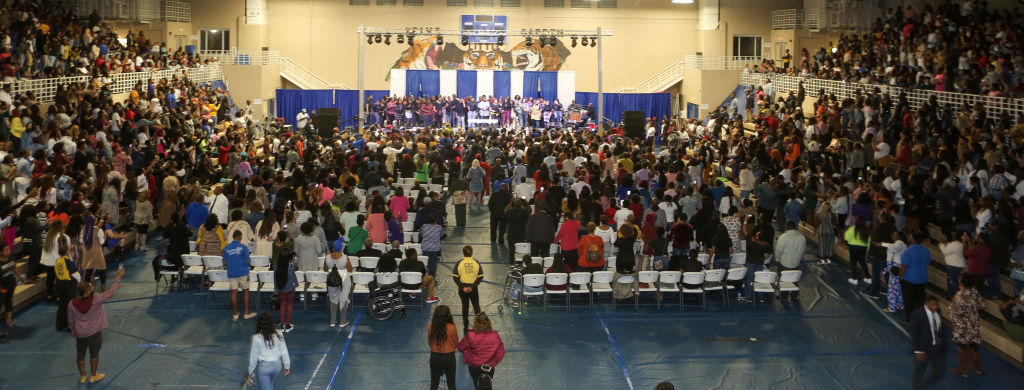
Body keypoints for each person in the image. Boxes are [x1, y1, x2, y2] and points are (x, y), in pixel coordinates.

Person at [67, 266, 125, 384]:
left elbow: (70, 320)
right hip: (94, 333)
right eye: (90, 286)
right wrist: (118, 276)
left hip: (80, 334)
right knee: (94, 354)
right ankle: (93, 375)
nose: (92, 286)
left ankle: (83, 376)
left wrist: (73, 330)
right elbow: (111, 291)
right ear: (88, 292)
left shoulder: (72, 304)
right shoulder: (97, 299)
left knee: (80, 355)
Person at [458, 312, 506, 390]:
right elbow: (501, 352)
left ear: (476, 323)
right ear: (488, 322)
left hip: (474, 367)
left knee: (477, 384)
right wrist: (492, 363)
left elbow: (460, 347)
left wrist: (467, 350)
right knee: (488, 385)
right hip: (489, 367)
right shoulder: (495, 336)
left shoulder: (470, 335)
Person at [949, 275, 983, 378]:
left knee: (962, 347)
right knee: (974, 346)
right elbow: (982, 305)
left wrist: (951, 310)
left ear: (962, 283)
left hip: (962, 325)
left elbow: (956, 312)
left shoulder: (959, 295)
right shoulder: (975, 292)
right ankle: (977, 368)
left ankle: (963, 370)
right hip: (974, 323)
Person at [910, 296, 946, 390]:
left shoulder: (937, 312)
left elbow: (938, 329)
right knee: (920, 372)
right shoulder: (917, 314)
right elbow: (914, 333)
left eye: (936, 305)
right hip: (923, 349)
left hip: (935, 347)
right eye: (932, 305)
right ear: (926, 303)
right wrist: (918, 351)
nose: (935, 307)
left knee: (938, 370)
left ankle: (925, 384)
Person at [247, 312, 291, 390]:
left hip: (264, 368)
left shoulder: (257, 337)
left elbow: (254, 357)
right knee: (270, 385)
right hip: (277, 366)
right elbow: (284, 351)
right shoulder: (279, 333)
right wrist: (287, 366)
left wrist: (250, 371)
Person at [224, 230, 257, 321]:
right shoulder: (244, 247)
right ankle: (246, 313)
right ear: (240, 237)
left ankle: (235, 314)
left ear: (233, 237)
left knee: (233, 293)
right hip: (243, 272)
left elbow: (224, 262)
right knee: (246, 291)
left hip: (231, 273)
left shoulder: (226, 248)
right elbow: (247, 261)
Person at [901, 232, 932, 323]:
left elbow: (904, 267)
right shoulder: (926, 250)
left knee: (908, 300)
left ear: (913, 239)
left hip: (909, 279)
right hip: (922, 278)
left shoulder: (907, 252)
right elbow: (927, 262)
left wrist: (900, 276)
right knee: (920, 299)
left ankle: (910, 317)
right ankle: (921, 317)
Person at [427, 305, 459, 390]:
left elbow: (429, 342)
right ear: (448, 315)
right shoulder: (452, 327)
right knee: (451, 383)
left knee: (434, 383)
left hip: (435, 357)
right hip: (449, 357)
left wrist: (436, 348)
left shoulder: (430, 326)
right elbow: (456, 343)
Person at [453, 246, 483, 330]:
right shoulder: (476, 262)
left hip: (463, 288)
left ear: (463, 253)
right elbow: (480, 276)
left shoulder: (459, 263)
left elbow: (455, 276)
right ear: (472, 252)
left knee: (465, 306)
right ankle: (480, 324)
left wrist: (462, 287)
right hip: (473, 288)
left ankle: (465, 324)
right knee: (476, 305)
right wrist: (473, 287)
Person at [325, 240, 353, 327]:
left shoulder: (327, 257)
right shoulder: (345, 257)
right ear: (341, 248)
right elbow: (350, 269)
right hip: (343, 280)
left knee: (333, 299)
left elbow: (325, 269)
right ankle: (342, 321)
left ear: (333, 247)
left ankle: (333, 321)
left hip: (331, 280)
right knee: (343, 298)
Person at [53, 237, 79, 332]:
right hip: (68, 285)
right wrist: (80, 282)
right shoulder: (68, 262)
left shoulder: (58, 261)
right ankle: (70, 326)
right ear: (67, 252)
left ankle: (59, 326)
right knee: (71, 305)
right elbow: (76, 275)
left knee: (62, 305)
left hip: (59, 284)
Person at [274, 251, 298, 332]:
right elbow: (293, 274)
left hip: (281, 288)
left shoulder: (276, 266)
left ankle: (281, 324)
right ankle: (287, 325)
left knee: (283, 304)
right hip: (290, 288)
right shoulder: (291, 265)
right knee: (290, 305)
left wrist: (276, 289)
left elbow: (275, 278)